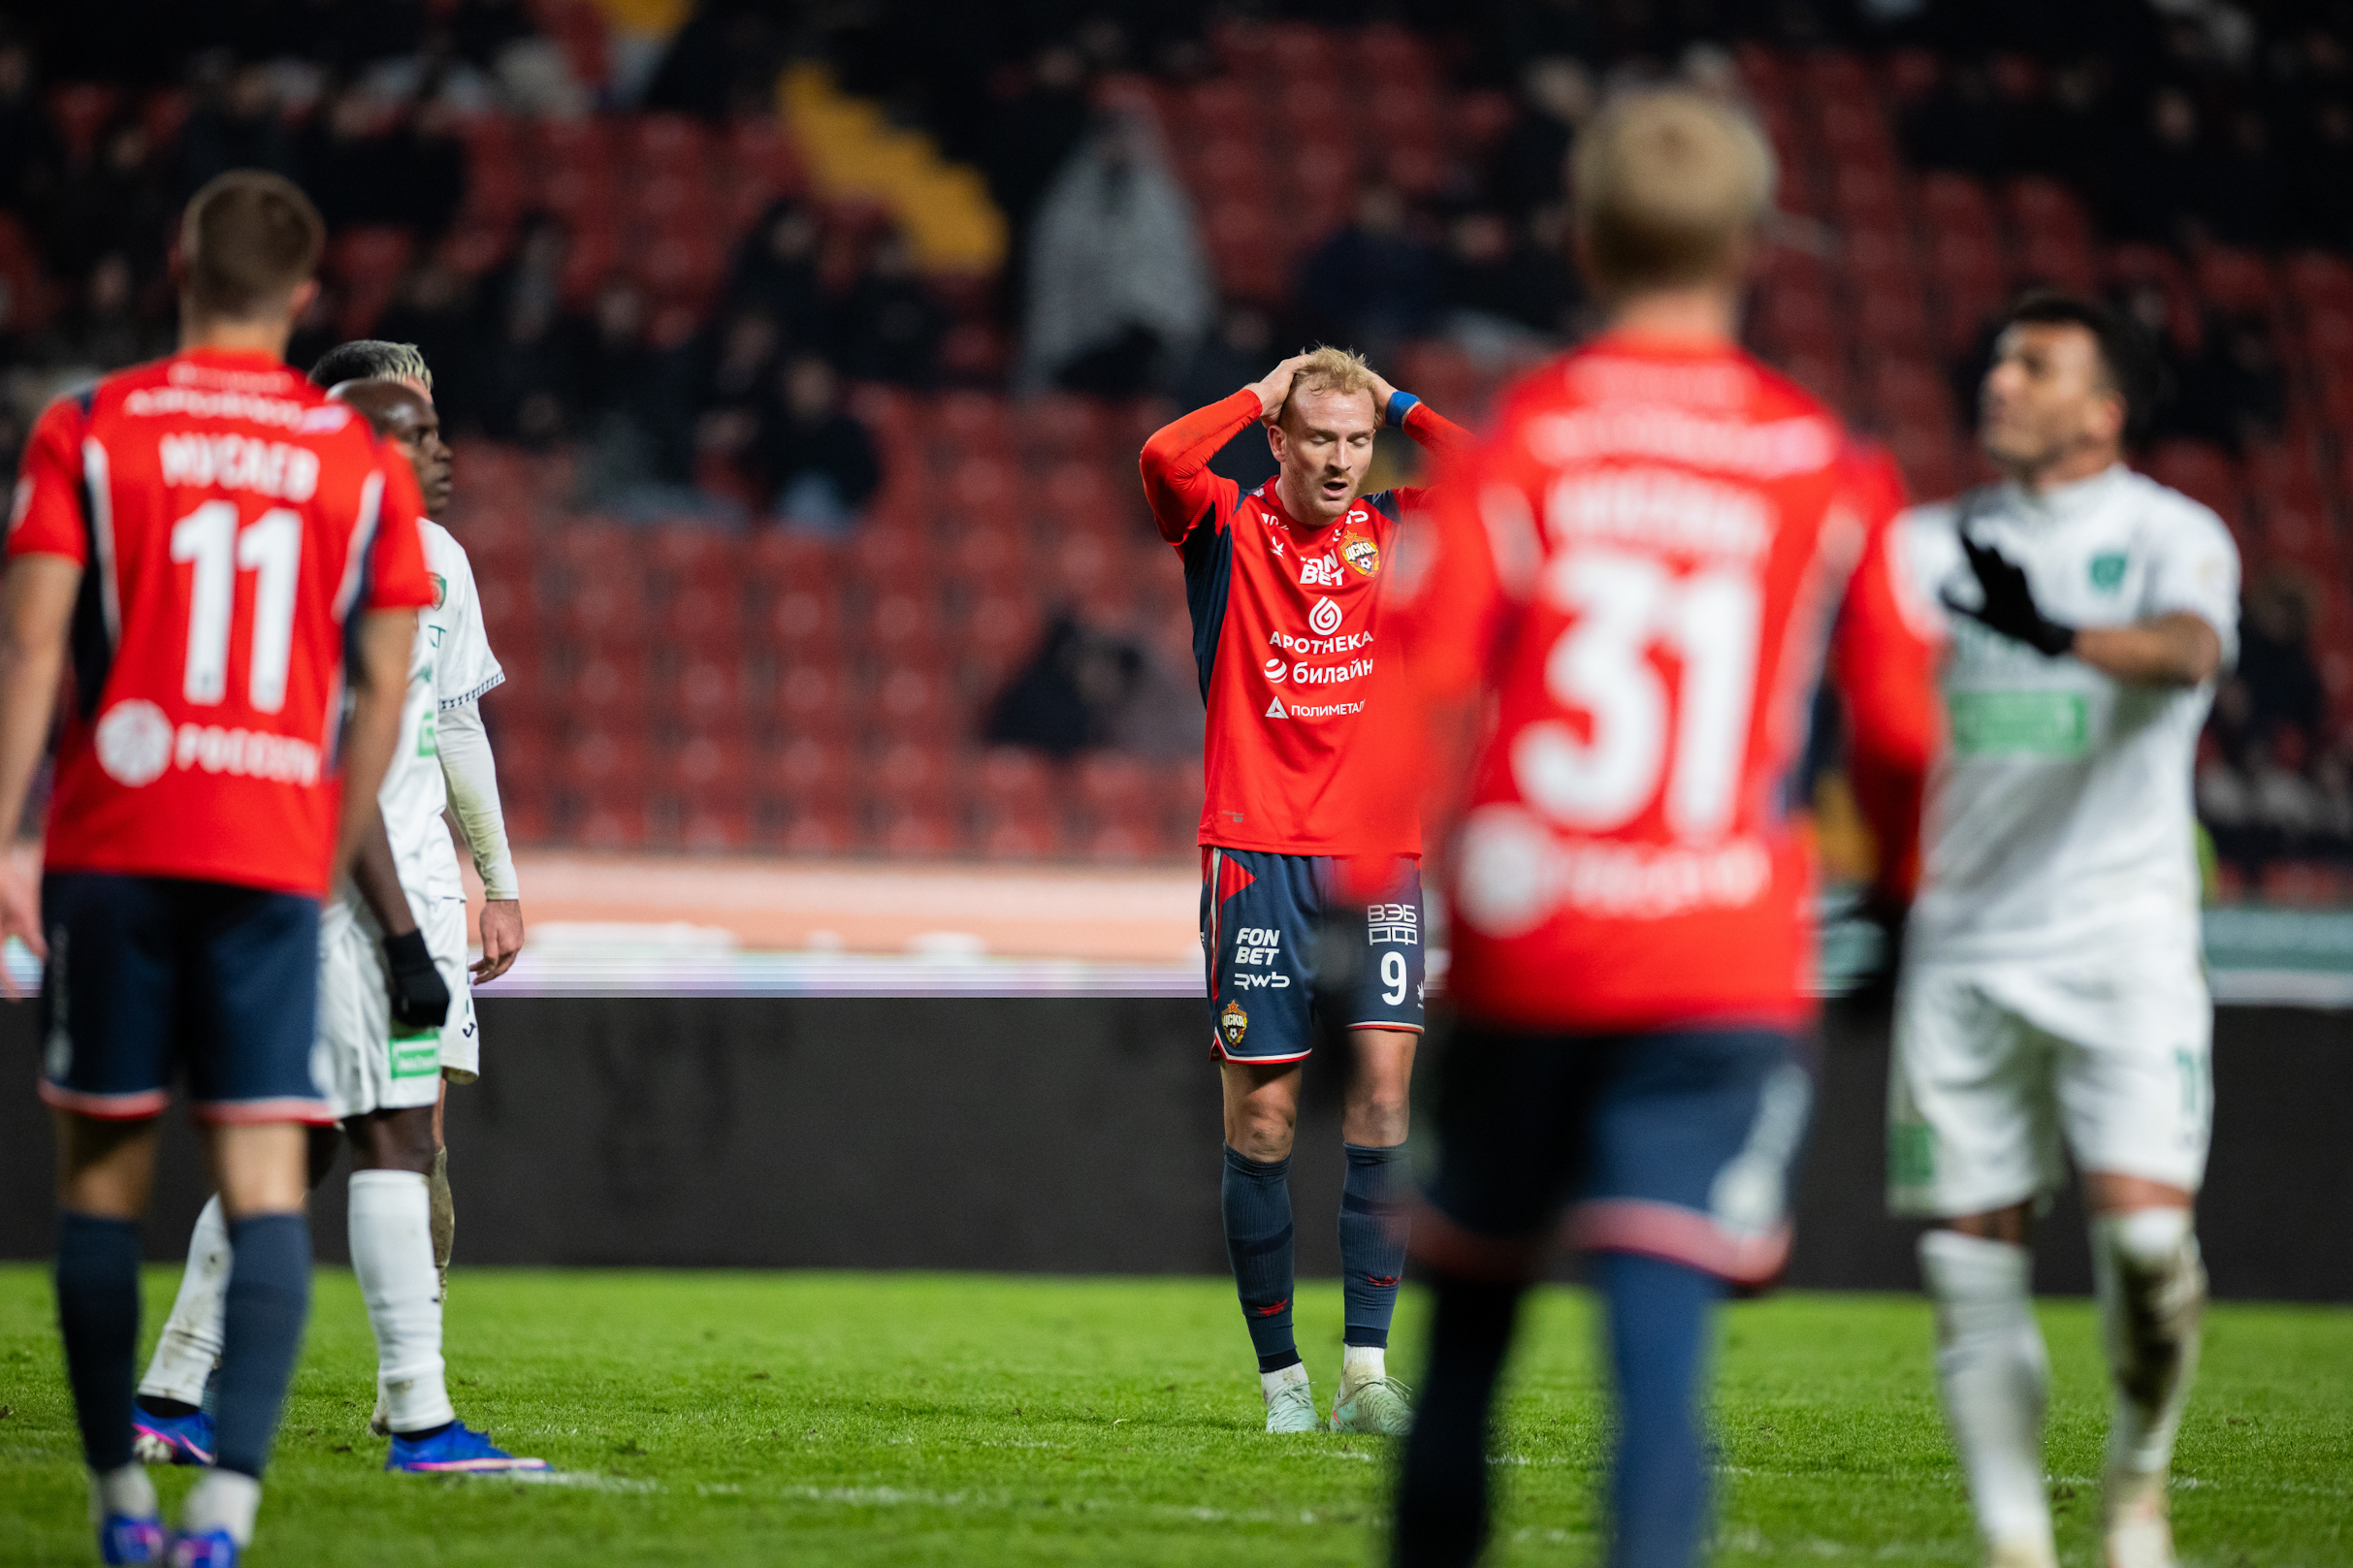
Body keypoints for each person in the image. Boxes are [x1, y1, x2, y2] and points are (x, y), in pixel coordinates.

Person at [1383, 88, 1938, 1566]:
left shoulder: (1525, 439)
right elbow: (1899, 732)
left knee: (1465, 1348)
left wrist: (1351, 901)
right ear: (1754, 247)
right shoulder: (1825, 463)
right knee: (1657, 1373)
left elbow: (1417, 685)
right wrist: (1902, 897)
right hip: (1716, 958)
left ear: (1580, 239)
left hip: (1530, 941)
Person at [0, 170, 434, 1567]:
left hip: (115, 848)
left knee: (102, 1181)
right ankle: (227, 1512)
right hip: (266, 861)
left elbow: (30, 643)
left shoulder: (86, 427)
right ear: (303, 298)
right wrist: (326, 846)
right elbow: (383, 691)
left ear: (179, 267)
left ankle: (119, 1505)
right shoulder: (355, 462)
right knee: (262, 1178)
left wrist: (6, 836)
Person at [129, 345, 540, 1479]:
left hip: (382, 892)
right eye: (417, 432)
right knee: (369, 1138)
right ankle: (406, 1419)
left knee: (331, 1138)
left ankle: (184, 1394)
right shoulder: (321, 569)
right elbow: (334, 767)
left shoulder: (425, 560)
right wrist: (401, 931)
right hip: (345, 900)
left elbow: (438, 729)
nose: (443, 450)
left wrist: (487, 883)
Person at [1886, 292, 2240, 1568]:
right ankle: (2014, 1543)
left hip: (2121, 939)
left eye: (2034, 366)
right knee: (1966, 1261)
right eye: (1996, 361)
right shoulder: (1924, 544)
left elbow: (2188, 651)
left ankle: (2135, 1484)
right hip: (1960, 945)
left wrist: (2049, 630)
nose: (2000, 380)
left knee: (2144, 1248)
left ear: (2101, 412)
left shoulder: (2169, 533)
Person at [1138, 345, 1468, 1435]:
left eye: (1357, 441)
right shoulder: (1226, 527)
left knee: (1383, 1099)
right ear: (1277, 438)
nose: (1339, 460)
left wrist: (1399, 401)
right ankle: (1282, 1382)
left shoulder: (1397, 529)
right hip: (1255, 850)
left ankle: (1364, 1373)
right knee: (1267, 1119)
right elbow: (1161, 456)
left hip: (1377, 856)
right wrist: (1254, 393)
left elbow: (1502, 480)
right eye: (1318, 437)